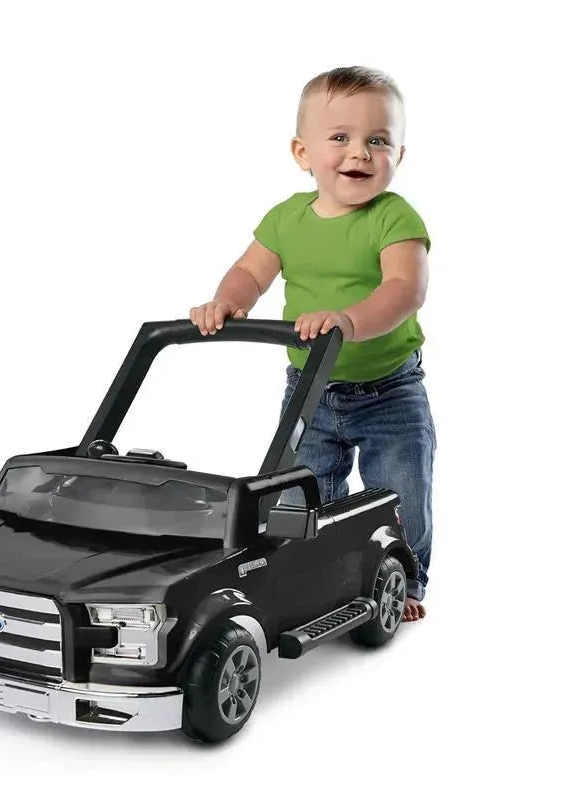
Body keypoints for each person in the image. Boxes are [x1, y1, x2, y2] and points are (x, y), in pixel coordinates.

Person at [189, 66, 436, 622]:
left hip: (389, 391)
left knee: (401, 490)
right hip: (310, 391)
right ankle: (317, 579)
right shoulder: (286, 220)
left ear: (399, 155)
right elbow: (249, 272)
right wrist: (228, 302)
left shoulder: (395, 218)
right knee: (302, 497)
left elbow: (405, 288)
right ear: (303, 153)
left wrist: (349, 320)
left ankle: (407, 577)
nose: (361, 152)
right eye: (341, 137)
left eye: (379, 140)